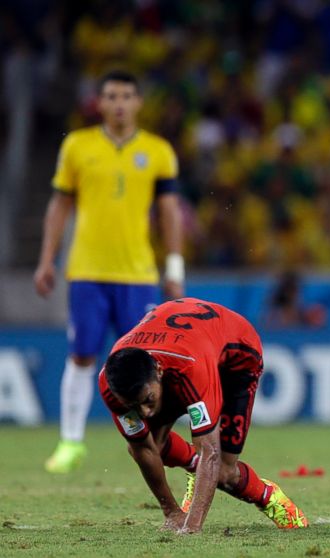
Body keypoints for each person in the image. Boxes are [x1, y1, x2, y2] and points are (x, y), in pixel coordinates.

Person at [34, 70, 185, 473]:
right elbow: (60, 205)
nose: (119, 103)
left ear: (138, 102)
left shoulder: (158, 151)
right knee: (82, 355)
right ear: (99, 103)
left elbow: (169, 211)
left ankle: (159, 436)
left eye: (127, 96)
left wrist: (173, 264)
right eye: (112, 96)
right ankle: (70, 442)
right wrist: (47, 259)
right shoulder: (79, 147)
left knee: (147, 360)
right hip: (86, 270)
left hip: (137, 273)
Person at [99, 298, 309, 533]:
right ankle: (194, 469)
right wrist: (172, 513)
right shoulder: (110, 386)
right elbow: (143, 449)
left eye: (148, 401)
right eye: (133, 406)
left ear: (158, 372)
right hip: (190, 347)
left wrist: (191, 527)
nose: (145, 413)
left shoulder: (189, 370)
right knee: (150, 445)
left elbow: (211, 452)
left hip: (236, 357)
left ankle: (270, 498)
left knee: (224, 473)